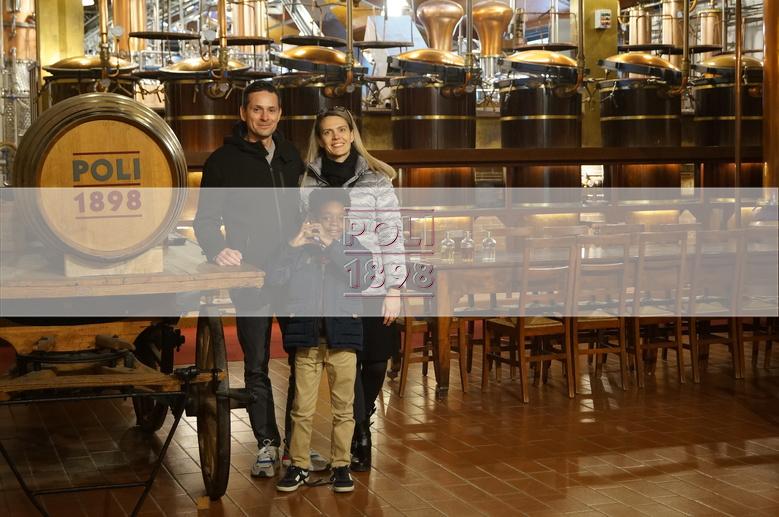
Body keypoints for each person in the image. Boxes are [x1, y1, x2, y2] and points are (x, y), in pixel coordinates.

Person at [193, 81, 304, 478]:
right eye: (257, 109)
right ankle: (267, 444)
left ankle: (297, 446)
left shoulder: (291, 156)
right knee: (256, 363)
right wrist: (216, 249)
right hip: (252, 276)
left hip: (293, 273)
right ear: (243, 113)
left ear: (280, 114)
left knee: (303, 359)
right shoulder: (222, 161)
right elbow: (205, 221)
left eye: (271, 109)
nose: (264, 116)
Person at [301, 106, 405, 471]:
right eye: (328, 131)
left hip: (372, 283)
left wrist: (395, 289)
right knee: (347, 361)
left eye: (342, 129)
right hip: (330, 286)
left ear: (352, 133)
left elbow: (391, 235)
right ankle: (359, 434)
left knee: (375, 361)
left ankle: (363, 416)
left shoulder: (377, 180)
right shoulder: (308, 182)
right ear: (320, 138)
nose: (336, 137)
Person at [270, 189, 365, 492]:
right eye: (326, 218)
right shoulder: (299, 250)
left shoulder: (353, 247)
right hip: (307, 339)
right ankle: (298, 465)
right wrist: (292, 246)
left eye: (340, 218)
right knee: (302, 408)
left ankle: (341, 466)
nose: (334, 223)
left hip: (343, 340)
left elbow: (361, 277)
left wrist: (331, 245)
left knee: (344, 408)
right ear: (313, 218)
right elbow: (274, 279)